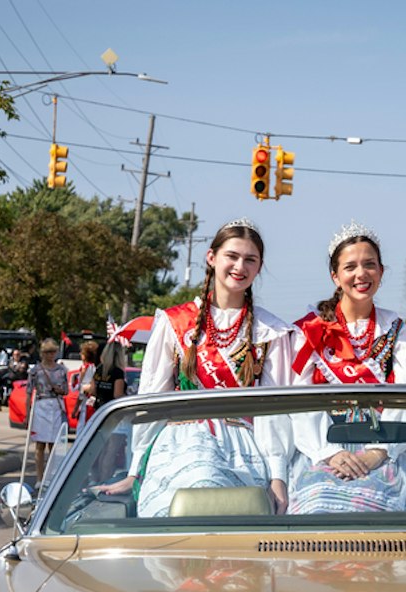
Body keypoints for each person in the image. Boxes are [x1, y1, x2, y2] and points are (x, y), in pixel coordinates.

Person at [101, 218, 298, 517]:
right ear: (212, 257)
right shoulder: (174, 322)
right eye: (231, 256)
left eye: (250, 260)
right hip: (179, 443)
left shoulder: (271, 331)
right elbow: (152, 400)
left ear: (259, 267)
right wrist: (135, 470)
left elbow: (274, 413)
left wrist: (278, 476)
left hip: (243, 449)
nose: (239, 266)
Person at [287, 221, 406, 514]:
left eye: (370, 265)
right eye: (350, 267)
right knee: (318, 506)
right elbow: (300, 403)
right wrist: (329, 453)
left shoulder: (402, 335)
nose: (361, 274)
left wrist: (378, 453)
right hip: (324, 449)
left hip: (384, 450)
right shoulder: (310, 331)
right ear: (335, 276)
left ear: (381, 271)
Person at [27, 338, 69, 483]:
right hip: (41, 404)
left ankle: (51, 477)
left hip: (55, 405)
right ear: (42, 353)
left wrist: (59, 390)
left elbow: (66, 391)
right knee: (40, 444)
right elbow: (29, 392)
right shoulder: (35, 371)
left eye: (53, 352)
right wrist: (28, 413)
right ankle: (39, 478)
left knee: (53, 444)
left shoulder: (61, 370)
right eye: (47, 352)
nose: (50, 355)